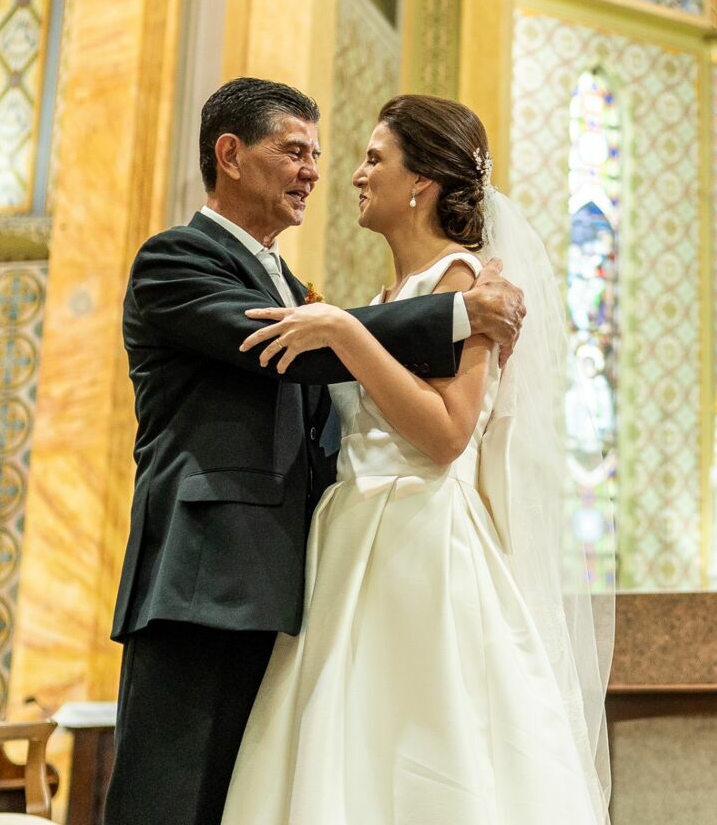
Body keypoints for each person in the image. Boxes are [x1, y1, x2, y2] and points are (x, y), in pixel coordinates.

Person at [102, 78, 529, 825]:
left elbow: (348, 375)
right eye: (295, 152)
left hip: (309, 574)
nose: (318, 172)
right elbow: (294, 349)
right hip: (203, 578)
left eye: (324, 154)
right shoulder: (175, 262)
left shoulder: (304, 290)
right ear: (230, 155)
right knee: (172, 798)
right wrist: (458, 314)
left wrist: (366, 324)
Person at [221, 96, 610, 825]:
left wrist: (340, 331)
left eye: (375, 158)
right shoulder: (387, 299)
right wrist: (349, 323)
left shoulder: (468, 284)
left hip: (425, 541)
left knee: (426, 749)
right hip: (348, 542)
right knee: (343, 757)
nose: (357, 175)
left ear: (420, 183)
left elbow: (447, 433)